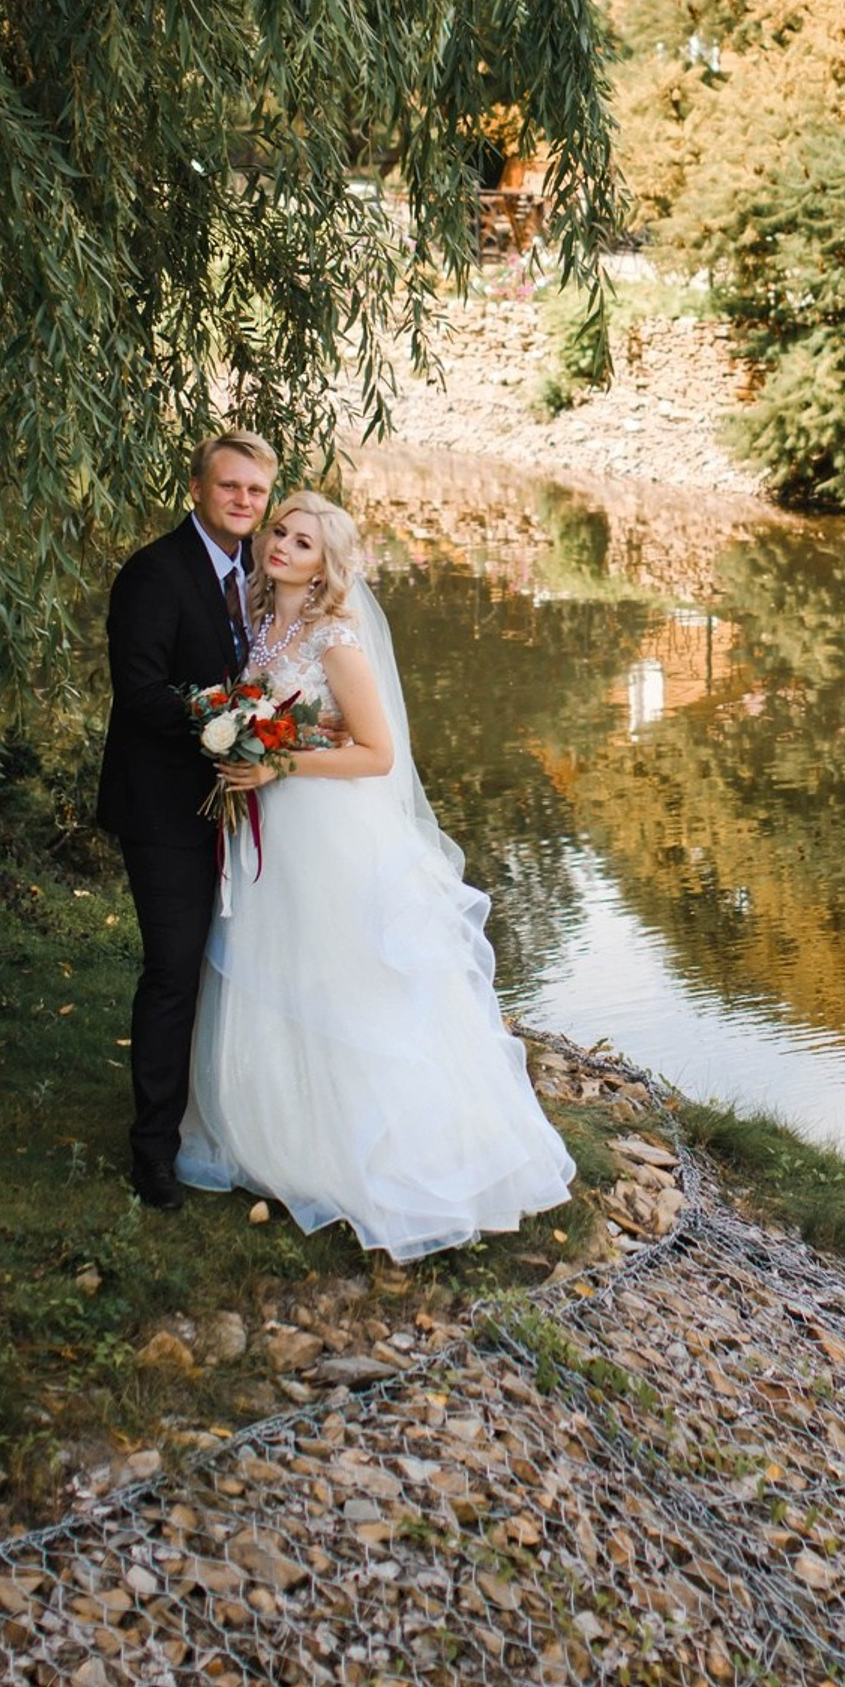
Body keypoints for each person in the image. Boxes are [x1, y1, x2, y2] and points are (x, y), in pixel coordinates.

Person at [177, 490, 575, 1259]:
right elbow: (286, 711)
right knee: (274, 970)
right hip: (272, 831)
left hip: (323, 830)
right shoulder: (260, 621)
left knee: (339, 981)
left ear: (328, 564)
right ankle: (278, 1131)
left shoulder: (335, 638)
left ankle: (371, 1152)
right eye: (280, 533)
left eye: (303, 541)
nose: (283, 546)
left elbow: (378, 754)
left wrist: (279, 761)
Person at [95, 430, 277, 1210]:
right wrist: (224, 726)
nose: (243, 501)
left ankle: (235, 1129)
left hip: (246, 809)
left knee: (237, 973)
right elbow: (138, 693)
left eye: (257, 491)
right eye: (230, 487)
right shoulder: (153, 573)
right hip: (165, 808)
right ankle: (152, 1153)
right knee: (174, 972)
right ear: (198, 489)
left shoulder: (264, 578)